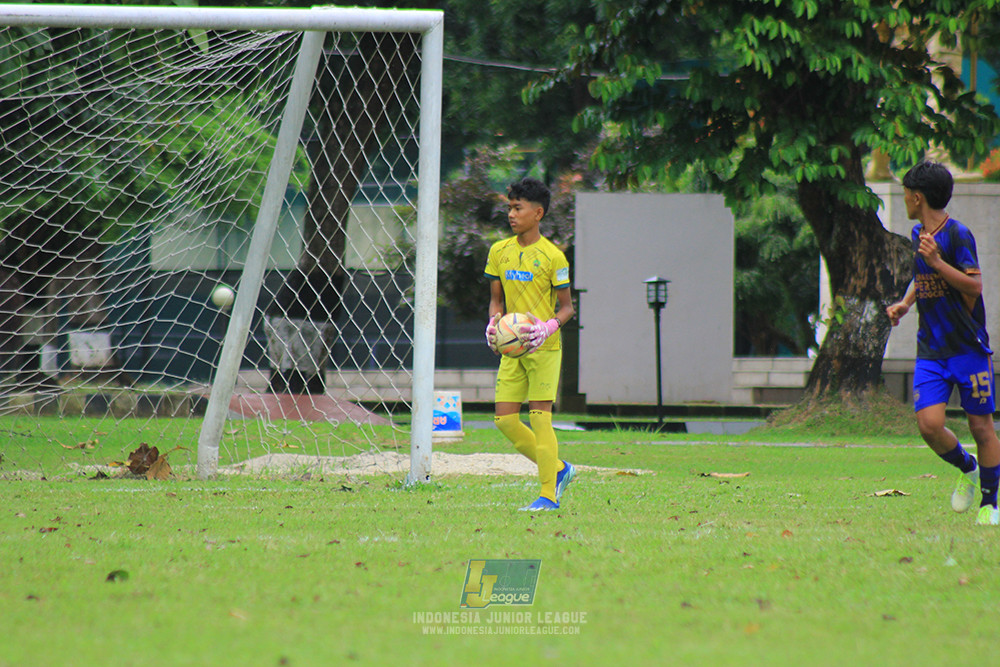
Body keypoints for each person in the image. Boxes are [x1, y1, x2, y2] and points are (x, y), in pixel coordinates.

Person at [886, 160, 1000, 525]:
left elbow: (974, 286)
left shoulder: (957, 235)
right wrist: (905, 303)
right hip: (931, 351)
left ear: (917, 197)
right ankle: (968, 469)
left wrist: (937, 262)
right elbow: (923, 278)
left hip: (967, 348)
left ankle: (990, 504)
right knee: (929, 425)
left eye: (905, 193)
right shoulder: (921, 233)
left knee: (982, 428)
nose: (903, 198)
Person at [484, 177, 576, 512]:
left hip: (544, 348)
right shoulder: (499, 251)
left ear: (537, 213)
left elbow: (567, 307)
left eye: (518, 208)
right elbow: (496, 300)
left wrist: (548, 327)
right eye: (509, 207)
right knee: (505, 420)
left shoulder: (554, 257)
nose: (511, 213)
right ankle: (560, 468)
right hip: (512, 348)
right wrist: (493, 323)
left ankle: (548, 496)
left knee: (540, 417)